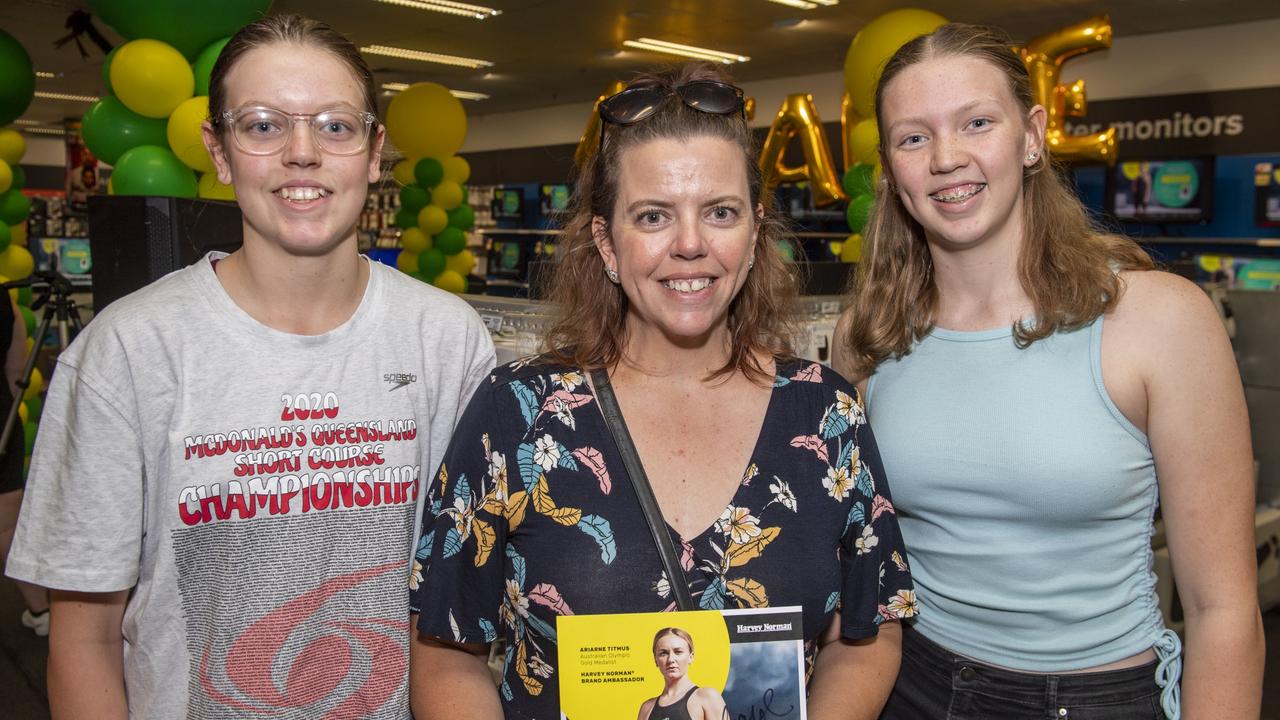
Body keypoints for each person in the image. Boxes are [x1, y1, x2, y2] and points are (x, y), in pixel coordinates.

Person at [5, 14, 494, 719]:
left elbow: (458, 619)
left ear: (374, 150)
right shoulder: (129, 352)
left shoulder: (446, 340)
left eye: (335, 126)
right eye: (263, 125)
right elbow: (84, 641)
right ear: (220, 150)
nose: (303, 153)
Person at [410, 62, 916, 720]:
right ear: (607, 243)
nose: (690, 244)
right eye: (653, 216)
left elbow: (868, 634)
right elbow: (447, 654)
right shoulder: (517, 415)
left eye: (720, 212)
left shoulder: (825, 415)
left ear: (756, 234)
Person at [832, 23, 1263, 720]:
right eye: (914, 137)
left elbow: (1224, 611)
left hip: (1092, 697)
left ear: (1032, 136)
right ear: (890, 166)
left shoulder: (1158, 321)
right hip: (911, 686)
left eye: (976, 122)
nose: (946, 157)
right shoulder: (870, 336)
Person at [0, 297, 48, 636]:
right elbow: (17, 371)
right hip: (3, 415)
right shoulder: (7, 301)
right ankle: (41, 610)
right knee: (6, 522)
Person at [638, 628, 726, 720]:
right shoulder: (647, 708)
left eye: (678, 652)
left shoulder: (707, 697)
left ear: (691, 657)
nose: (671, 659)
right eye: (663, 653)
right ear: (655, 660)